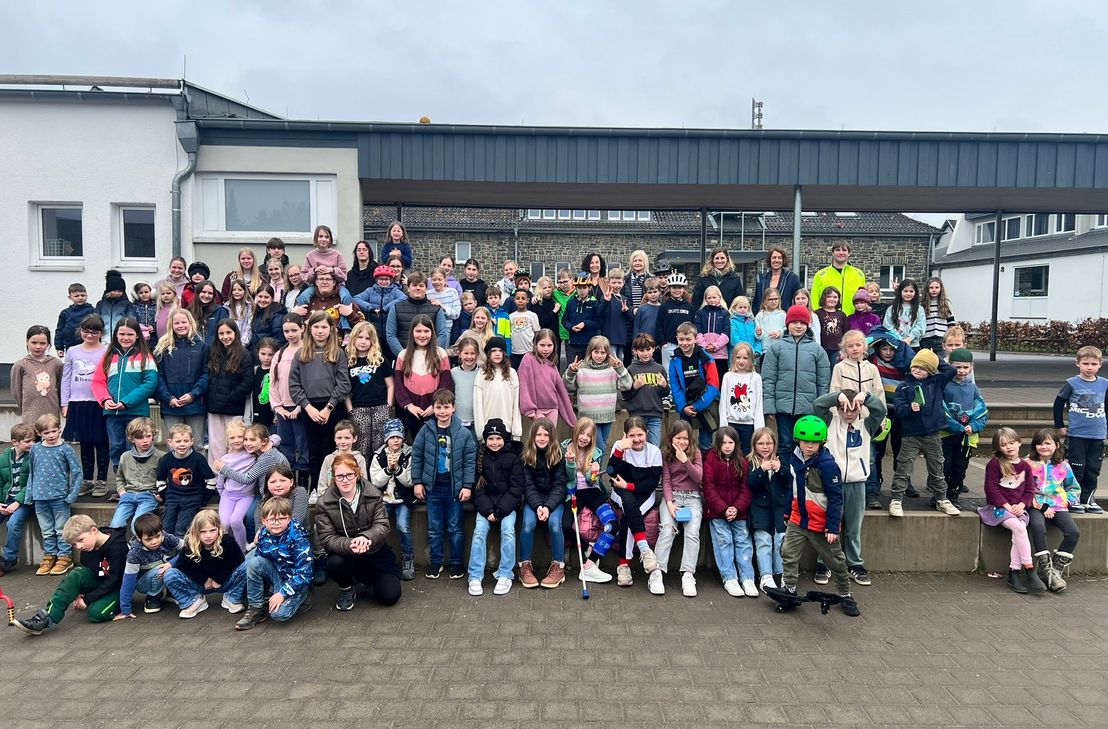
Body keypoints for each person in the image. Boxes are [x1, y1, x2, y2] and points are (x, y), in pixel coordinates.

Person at [779, 416, 860, 617]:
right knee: (788, 553)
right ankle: (789, 590)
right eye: (805, 441)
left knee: (836, 562)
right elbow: (793, 489)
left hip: (821, 524)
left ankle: (845, 594)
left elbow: (835, 498)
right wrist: (788, 512)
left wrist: (833, 527)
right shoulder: (794, 459)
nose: (809, 446)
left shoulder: (827, 465)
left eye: (814, 442)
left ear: (821, 442)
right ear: (798, 440)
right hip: (798, 519)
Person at [812, 388, 887, 588]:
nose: (848, 413)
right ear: (838, 408)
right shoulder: (829, 422)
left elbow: (880, 410)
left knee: (853, 527)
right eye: (844, 408)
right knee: (829, 525)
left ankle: (855, 563)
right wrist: (838, 397)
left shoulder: (867, 425)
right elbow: (818, 404)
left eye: (853, 409)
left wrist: (866, 397)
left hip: (857, 483)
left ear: (860, 409)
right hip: (832, 484)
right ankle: (824, 563)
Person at [13, 515, 128, 634]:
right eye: (74, 544)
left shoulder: (117, 547)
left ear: (94, 531)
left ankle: (113, 604)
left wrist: (88, 599)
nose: (78, 547)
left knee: (96, 614)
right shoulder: (87, 548)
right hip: (100, 582)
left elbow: (115, 579)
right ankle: (46, 618)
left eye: (80, 540)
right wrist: (79, 592)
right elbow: (87, 571)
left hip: (118, 587)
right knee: (76, 573)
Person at [316, 452, 402, 611]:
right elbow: (327, 538)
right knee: (334, 563)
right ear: (334, 477)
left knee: (390, 595)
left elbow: (382, 525)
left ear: (357, 474)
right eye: (340, 476)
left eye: (349, 475)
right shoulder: (324, 503)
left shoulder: (373, 494)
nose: (345, 480)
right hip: (346, 553)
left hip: (374, 550)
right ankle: (347, 587)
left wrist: (366, 537)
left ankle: (367, 579)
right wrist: (351, 544)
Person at [412, 389, 477, 580]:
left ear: (453, 408)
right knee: (434, 528)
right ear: (433, 408)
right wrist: (417, 482)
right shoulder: (426, 430)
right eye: (438, 407)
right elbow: (416, 457)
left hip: (454, 489)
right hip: (432, 489)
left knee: (455, 527)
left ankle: (456, 562)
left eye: (446, 407)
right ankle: (436, 562)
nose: (442, 411)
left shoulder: (463, 433)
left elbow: (469, 461)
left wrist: (467, 485)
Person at [889, 349, 959, 518]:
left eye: (923, 367)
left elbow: (951, 370)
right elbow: (898, 409)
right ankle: (896, 499)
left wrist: (933, 357)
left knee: (937, 467)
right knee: (904, 467)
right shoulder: (904, 386)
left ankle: (941, 498)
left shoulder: (936, 382)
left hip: (932, 433)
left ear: (931, 370)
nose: (918, 369)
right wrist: (908, 409)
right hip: (911, 434)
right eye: (916, 366)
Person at [228, 496, 314, 630]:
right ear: (264, 521)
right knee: (254, 562)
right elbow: (262, 563)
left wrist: (282, 594)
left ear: (289, 518)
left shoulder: (298, 538)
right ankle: (256, 608)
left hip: (295, 581)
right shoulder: (263, 534)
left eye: (282, 518)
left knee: (279, 614)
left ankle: (303, 597)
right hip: (277, 576)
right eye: (272, 519)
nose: (276, 523)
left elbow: (304, 573)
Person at [289, 312, 350, 491]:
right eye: (316, 327)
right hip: (310, 409)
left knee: (332, 450)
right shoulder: (301, 354)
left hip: (333, 407)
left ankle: (335, 488)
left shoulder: (338, 353)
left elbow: (344, 384)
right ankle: (316, 488)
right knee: (314, 452)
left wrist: (328, 408)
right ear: (309, 329)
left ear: (331, 329)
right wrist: (308, 408)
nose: (320, 331)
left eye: (324, 327)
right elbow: (294, 385)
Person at [981, 428, 1047, 594]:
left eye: (1011, 443)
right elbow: (991, 488)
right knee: (1019, 528)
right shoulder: (995, 464)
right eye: (1004, 445)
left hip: (1018, 509)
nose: (1009, 447)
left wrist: (1023, 505)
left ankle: (1014, 573)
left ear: (1019, 443)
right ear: (998, 448)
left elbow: (1029, 490)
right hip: (998, 509)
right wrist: (1006, 505)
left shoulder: (1025, 466)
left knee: (1018, 532)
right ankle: (1030, 569)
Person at [762, 305, 830, 461]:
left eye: (802, 322)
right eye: (794, 322)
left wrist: (820, 408)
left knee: (807, 448)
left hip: (808, 408)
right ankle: (786, 481)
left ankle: (804, 482)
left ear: (807, 325)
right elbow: (769, 379)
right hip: (783, 408)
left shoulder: (817, 350)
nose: (798, 326)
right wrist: (770, 406)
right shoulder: (776, 348)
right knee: (785, 445)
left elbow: (823, 382)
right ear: (787, 324)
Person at [467, 419, 523, 597]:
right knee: (479, 532)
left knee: (508, 531)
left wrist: (499, 511)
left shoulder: (513, 458)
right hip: (486, 507)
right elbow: (478, 490)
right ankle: (475, 575)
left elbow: (516, 488)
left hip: (507, 507)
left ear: (504, 438)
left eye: (498, 438)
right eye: (490, 439)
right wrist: (488, 511)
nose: (494, 442)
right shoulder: (480, 458)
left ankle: (506, 573)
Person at [606, 417, 663, 589]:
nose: (636, 439)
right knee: (628, 503)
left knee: (629, 516)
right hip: (620, 492)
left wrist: (629, 485)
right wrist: (618, 452)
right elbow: (610, 472)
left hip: (644, 493)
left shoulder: (654, 452)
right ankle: (645, 551)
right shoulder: (619, 446)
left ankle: (624, 565)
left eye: (640, 434)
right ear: (625, 435)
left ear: (646, 433)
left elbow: (652, 483)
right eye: (632, 435)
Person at [162, 509, 246, 619]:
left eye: (212, 530)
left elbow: (238, 560)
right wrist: (204, 580)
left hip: (224, 582)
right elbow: (183, 566)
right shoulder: (190, 543)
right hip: (200, 584)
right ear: (195, 531)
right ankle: (194, 601)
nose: (208, 535)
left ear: (219, 528)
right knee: (170, 575)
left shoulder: (227, 540)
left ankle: (232, 598)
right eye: (203, 532)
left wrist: (219, 578)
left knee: (248, 566)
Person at [703, 425, 756, 598]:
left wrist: (737, 508)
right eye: (723, 443)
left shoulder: (742, 461)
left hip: (738, 511)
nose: (727, 446)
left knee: (742, 541)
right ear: (717, 444)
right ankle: (730, 577)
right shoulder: (710, 460)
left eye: (731, 442)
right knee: (724, 540)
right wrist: (724, 509)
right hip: (718, 511)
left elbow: (746, 489)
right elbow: (709, 488)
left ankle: (747, 577)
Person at [1053, 345, 1107, 513]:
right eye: (1085, 363)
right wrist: (1060, 425)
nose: (1089, 367)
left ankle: (1088, 500)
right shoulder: (1071, 383)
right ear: (1077, 363)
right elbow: (1058, 404)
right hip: (1076, 435)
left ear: (1100, 364)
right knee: (1076, 468)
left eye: (1093, 364)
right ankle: (1072, 499)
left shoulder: (1105, 384)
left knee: (1092, 469)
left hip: (1097, 435)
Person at [563, 417, 618, 584]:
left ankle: (590, 565)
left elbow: (591, 481)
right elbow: (568, 477)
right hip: (573, 493)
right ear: (576, 432)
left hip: (592, 492)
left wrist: (593, 473)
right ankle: (588, 547)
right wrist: (571, 463)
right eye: (582, 433)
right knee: (563, 524)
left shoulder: (596, 453)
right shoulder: (564, 447)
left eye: (589, 435)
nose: (584, 438)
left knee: (613, 524)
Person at [1026, 428, 1081, 592]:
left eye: (1048, 443)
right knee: (1038, 526)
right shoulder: (1027, 464)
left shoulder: (1064, 466)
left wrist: (1066, 501)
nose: (1043, 447)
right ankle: (1045, 568)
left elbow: (1074, 488)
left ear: (1057, 445)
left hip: (1058, 506)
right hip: (1035, 505)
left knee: (1073, 532)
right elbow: (1022, 490)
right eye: (1039, 443)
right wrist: (1040, 506)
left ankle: (1055, 570)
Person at [654, 420, 703, 597]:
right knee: (667, 530)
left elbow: (698, 478)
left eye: (685, 438)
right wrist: (669, 503)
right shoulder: (665, 454)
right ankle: (657, 572)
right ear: (671, 438)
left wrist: (685, 461)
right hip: (672, 497)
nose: (682, 442)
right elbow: (666, 481)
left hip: (692, 498)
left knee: (692, 533)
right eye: (678, 438)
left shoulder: (695, 453)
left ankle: (688, 574)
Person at [61, 314, 109, 496]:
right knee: (85, 444)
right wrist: (65, 402)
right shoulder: (72, 351)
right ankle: (87, 480)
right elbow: (66, 378)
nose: (90, 335)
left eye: (95, 332)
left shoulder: (106, 350)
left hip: (99, 403)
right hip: (77, 403)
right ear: (80, 331)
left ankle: (102, 480)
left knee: (102, 443)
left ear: (101, 333)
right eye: (86, 331)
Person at [519, 418, 568, 589]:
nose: (541, 438)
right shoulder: (526, 456)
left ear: (551, 436)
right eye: (538, 434)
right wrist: (538, 505)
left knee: (554, 524)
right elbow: (528, 485)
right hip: (534, 500)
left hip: (553, 501)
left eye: (545, 435)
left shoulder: (558, 455)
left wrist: (547, 507)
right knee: (528, 524)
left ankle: (558, 566)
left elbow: (560, 485)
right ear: (532, 436)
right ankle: (524, 566)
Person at [563, 335, 632, 456]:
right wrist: (571, 371)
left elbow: (627, 385)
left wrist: (620, 368)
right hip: (588, 416)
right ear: (590, 351)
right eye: (596, 352)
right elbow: (568, 385)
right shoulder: (581, 367)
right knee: (598, 447)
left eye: (603, 352)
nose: (599, 355)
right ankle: (596, 473)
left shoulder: (612, 368)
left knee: (601, 446)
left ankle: (594, 472)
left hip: (607, 415)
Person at [155, 309, 210, 454]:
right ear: (171, 325)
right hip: (171, 406)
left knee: (197, 445)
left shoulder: (202, 347)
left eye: (184, 322)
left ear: (190, 323)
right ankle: (173, 476)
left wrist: (193, 394)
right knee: (173, 446)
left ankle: (199, 477)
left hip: (195, 404)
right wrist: (168, 398)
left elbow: (206, 374)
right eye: (176, 323)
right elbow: (158, 377)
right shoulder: (163, 347)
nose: (181, 325)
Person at [941, 349, 988, 508]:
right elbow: (940, 409)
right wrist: (957, 427)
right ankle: (940, 495)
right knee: (943, 465)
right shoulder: (944, 385)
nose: (961, 371)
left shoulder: (973, 388)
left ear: (971, 367)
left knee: (959, 467)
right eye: (957, 367)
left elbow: (981, 410)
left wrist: (973, 426)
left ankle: (953, 495)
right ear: (950, 365)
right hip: (946, 434)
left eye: (965, 367)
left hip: (966, 437)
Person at [394, 315, 454, 439]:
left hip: (435, 409)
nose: (422, 335)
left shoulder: (440, 353)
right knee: (417, 442)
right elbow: (398, 385)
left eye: (426, 331)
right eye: (418, 331)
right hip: (412, 410)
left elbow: (446, 383)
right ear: (412, 333)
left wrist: (435, 405)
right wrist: (409, 405)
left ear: (432, 333)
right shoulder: (403, 355)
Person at [369, 419, 415, 580]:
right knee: (378, 528)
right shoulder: (379, 455)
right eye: (391, 437)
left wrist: (398, 469)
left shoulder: (409, 454)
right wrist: (388, 469)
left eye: (398, 437)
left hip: (403, 500)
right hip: (383, 500)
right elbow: (375, 481)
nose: (395, 440)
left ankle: (408, 558)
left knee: (403, 525)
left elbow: (410, 481)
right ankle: (379, 558)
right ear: (386, 439)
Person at [204, 320, 255, 467]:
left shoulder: (245, 355)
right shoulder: (213, 353)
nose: (225, 336)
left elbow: (247, 382)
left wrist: (229, 397)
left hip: (233, 408)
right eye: (221, 333)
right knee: (216, 445)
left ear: (235, 333)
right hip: (214, 408)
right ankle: (215, 477)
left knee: (235, 443)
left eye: (228, 332)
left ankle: (234, 475)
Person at [747, 427, 791, 593]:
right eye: (761, 443)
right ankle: (766, 575)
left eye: (769, 443)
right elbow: (750, 483)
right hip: (760, 511)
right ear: (754, 445)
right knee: (763, 541)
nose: (765, 447)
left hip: (779, 510)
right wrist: (762, 470)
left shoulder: (781, 460)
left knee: (781, 540)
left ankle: (781, 573)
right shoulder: (751, 462)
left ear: (774, 444)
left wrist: (779, 469)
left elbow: (789, 481)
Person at [270, 313, 311, 488]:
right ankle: (288, 479)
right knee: (285, 444)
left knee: (303, 444)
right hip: (283, 408)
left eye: (294, 330)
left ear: (302, 329)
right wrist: (278, 407)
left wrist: (300, 407)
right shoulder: (279, 354)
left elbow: (310, 382)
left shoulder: (308, 351)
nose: (290, 334)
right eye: (286, 331)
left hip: (302, 407)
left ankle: (303, 479)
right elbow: (272, 381)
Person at [114, 513, 181, 618]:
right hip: (144, 581)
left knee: (183, 562)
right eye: (149, 539)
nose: (155, 541)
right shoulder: (134, 554)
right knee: (160, 570)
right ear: (139, 538)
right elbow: (128, 581)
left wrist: (171, 563)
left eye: (157, 536)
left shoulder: (166, 537)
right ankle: (154, 595)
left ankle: (170, 591)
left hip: (164, 568)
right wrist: (125, 609)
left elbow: (189, 548)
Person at [343, 321, 393, 459]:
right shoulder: (348, 362)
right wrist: (350, 409)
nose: (363, 342)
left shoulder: (380, 360)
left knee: (380, 444)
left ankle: (378, 477)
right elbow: (345, 390)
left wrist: (388, 405)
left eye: (367, 338)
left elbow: (390, 384)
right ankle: (363, 476)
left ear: (373, 341)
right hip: (359, 408)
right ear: (353, 339)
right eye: (360, 337)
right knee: (361, 445)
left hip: (380, 407)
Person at [157, 422, 217, 537]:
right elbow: (160, 481)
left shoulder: (198, 459)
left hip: (192, 499)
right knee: (166, 527)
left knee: (181, 528)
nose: (182, 444)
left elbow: (211, 480)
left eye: (185, 441)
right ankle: (166, 553)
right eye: (178, 441)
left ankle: (180, 553)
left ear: (192, 441)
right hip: (172, 498)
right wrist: (165, 496)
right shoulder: (166, 459)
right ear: (170, 442)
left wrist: (203, 499)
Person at [669, 322, 722, 453]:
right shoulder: (674, 361)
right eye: (681, 339)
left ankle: (705, 472)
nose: (684, 343)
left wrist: (698, 405)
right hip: (686, 406)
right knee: (684, 444)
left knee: (705, 444)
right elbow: (675, 387)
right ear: (677, 339)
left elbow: (714, 384)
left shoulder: (707, 358)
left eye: (688, 339)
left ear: (695, 338)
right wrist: (682, 406)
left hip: (706, 405)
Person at [110, 417, 165, 531]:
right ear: (132, 439)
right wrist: (122, 492)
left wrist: (162, 494)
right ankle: (119, 548)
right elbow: (120, 478)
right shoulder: (125, 457)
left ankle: (137, 548)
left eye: (148, 436)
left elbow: (166, 478)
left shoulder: (161, 456)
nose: (145, 441)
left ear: (153, 436)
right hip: (128, 495)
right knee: (116, 525)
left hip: (149, 495)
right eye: (140, 437)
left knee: (137, 525)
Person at [518, 329, 576, 429]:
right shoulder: (528, 359)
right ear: (535, 344)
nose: (546, 349)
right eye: (542, 345)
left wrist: (573, 421)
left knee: (550, 439)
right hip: (537, 410)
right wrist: (530, 409)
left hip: (552, 408)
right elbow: (524, 385)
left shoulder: (552, 366)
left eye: (549, 345)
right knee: (541, 438)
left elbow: (561, 391)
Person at [212, 420, 256, 551]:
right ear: (227, 440)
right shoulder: (225, 459)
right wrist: (222, 494)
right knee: (224, 524)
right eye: (232, 437)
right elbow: (221, 481)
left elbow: (274, 438)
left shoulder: (252, 455)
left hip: (246, 496)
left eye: (240, 437)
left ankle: (242, 549)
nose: (236, 440)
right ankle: (226, 549)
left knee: (236, 521)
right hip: (228, 495)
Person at [384, 271, 449, 356]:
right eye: (414, 285)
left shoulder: (436, 309)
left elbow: (442, 334)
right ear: (408, 288)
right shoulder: (396, 308)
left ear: (426, 289)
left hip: (430, 358)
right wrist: (403, 355)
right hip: (404, 358)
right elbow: (391, 335)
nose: (418, 288)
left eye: (421, 285)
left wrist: (432, 354)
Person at [0, 424, 34, 576]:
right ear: (15, 442)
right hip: (6, 500)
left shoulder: (33, 457)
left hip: (24, 501)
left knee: (13, 524)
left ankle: (9, 559)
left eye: (33, 440)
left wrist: (18, 502)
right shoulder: (3, 458)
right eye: (27, 441)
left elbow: (33, 483)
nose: (32, 444)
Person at [12, 325, 62, 428]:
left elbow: (61, 386)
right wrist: (24, 407)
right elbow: (16, 390)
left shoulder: (56, 364)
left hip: (51, 413)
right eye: (34, 342)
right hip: (30, 415)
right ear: (27, 342)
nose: (38, 346)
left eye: (42, 343)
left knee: (50, 439)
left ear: (48, 344)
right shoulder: (20, 365)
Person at [623, 333, 669, 447]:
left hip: (655, 415)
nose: (645, 353)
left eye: (648, 349)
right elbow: (625, 395)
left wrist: (664, 386)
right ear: (635, 351)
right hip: (636, 416)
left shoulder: (660, 368)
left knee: (654, 448)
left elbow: (665, 393)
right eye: (641, 350)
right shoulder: (631, 369)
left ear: (653, 349)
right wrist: (634, 387)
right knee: (636, 447)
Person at [474, 337, 522, 444]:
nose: (497, 354)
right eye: (494, 351)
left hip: (507, 428)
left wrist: (516, 432)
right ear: (488, 354)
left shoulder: (512, 373)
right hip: (487, 430)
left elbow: (516, 404)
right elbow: (478, 405)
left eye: (500, 351)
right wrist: (480, 433)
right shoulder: (481, 374)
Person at [291, 270, 364, 334]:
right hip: (310, 347)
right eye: (321, 279)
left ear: (334, 282)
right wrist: (293, 314)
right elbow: (289, 329)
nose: (324, 282)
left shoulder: (344, 300)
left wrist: (351, 314)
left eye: (328, 279)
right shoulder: (306, 301)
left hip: (338, 348)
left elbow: (364, 328)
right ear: (316, 282)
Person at [317, 420, 368, 503]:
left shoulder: (359, 459)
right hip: (331, 501)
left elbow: (364, 484)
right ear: (334, 439)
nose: (343, 441)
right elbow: (322, 485)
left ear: (354, 439)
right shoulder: (328, 459)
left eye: (347, 438)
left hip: (354, 501)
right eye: (339, 438)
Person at [810, 241, 866, 317]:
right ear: (832, 253)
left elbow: (863, 297)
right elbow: (814, 298)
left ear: (849, 253)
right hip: (827, 319)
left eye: (844, 250)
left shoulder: (859, 274)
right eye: (837, 250)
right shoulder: (820, 275)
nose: (841, 252)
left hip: (853, 318)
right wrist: (818, 315)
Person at [562, 272, 605, 363]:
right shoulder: (571, 302)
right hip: (574, 342)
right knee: (574, 367)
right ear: (576, 288)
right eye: (579, 288)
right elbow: (564, 320)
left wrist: (585, 324)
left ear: (589, 288)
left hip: (590, 343)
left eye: (584, 287)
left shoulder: (594, 303)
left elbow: (599, 323)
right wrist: (571, 327)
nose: (582, 290)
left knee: (589, 368)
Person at [655, 272, 693, 372]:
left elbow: (693, 325)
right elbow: (658, 325)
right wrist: (663, 343)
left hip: (685, 344)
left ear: (684, 289)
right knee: (668, 372)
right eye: (674, 287)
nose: (677, 290)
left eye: (680, 287)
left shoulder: (688, 306)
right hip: (669, 345)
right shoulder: (664, 306)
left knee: (684, 371)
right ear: (669, 289)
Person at [694, 284, 731, 381]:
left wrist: (715, 346)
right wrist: (705, 345)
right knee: (706, 379)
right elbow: (698, 332)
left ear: (719, 297)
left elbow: (726, 333)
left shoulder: (725, 313)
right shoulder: (700, 313)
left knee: (720, 379)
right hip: (704, 353)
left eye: (714, 297)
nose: (712, 300)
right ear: (705, 299)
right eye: (709, 298)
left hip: (720, 355)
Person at [753, 246, 802, 316]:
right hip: (764, 319)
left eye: (779, 258)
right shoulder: (762, 278)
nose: (776, 260)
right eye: (774, 257)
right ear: (770, 260)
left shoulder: (792, 278)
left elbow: (798, 299)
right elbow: (756, 301)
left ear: (783, 260)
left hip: (785, 318)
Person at [95, 270, 136, 345]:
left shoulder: (127, 304)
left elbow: (131, 321)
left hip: (121, 338)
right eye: (114, 290)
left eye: (120, 291)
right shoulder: (101, 304)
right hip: (104, 338)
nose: (117, 293)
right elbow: (96, 320)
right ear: (108, 290)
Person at [54, 283, 94, 356]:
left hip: (88, 345)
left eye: (83, 295)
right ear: (70, 297)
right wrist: (59, 347)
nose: (80, 298)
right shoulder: (65, 313)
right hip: (70, 346)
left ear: (87, 296)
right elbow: (59, 331)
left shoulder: (92, 311)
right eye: (76, 296)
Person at [883, 279, 925, 348]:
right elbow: (888, 326)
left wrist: (909, 339)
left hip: (913, 345)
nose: (908, 294)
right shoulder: (892, 309)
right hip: (895, 345)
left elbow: (920, 326)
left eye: (911, 291)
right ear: (900, 292)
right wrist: (900, 339)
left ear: (915, 292)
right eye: (905, 291)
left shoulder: (920, 309)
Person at [450, 339, 480, 436]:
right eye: (466, 353)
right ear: (459, 354)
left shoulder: (482, 374)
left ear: (477, 355)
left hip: (476, 422)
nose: (469, 357)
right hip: (457, 421)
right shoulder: (453, 373)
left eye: (472, 353)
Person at [920, 277, 956, 352]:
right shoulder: (922, 304)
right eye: (931, 287)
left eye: (937, 287)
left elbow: (951, 323)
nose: (934, 290)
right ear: (927, 289)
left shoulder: (946, 303)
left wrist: (950, 338)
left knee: (942, 361)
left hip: (941, 338)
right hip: (926, 338)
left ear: (941, 289)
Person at [507, 288, 541, 369]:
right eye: (518, 298)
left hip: (528, 351)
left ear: (528, 300)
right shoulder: (510, 316)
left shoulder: (532, 316)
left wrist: (535, 349)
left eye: (523, 298)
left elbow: (537, 334)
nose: (520, 300)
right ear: (514, 300)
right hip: (514, 352)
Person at [815, 286, 848, 366]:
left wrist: (844, 350)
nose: (832, 299)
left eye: (835, 297)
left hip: (837, 350)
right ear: (823, 298)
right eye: (829, 297)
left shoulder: (842, 315)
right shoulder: (817, 313)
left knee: (835, 368)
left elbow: (846, 334)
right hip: (821, 349)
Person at [189, 281, 229, 345]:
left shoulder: (220, 311)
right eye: (203, 292)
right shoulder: (189, 312)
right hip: (195, 351)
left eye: (210, 293)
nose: (206, 295)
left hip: (215, 351)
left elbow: (226, 333)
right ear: (198, 293)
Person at [250, 336, 277, 428]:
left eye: (270, 355)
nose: (266, 358)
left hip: (272, 416)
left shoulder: (277, 371)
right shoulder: (254, 371)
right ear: (257, 353)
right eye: (263, 354)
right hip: (256, 415)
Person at [249, 286, 286, 352]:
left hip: (269, 354)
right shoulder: (257, 311)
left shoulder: (277, 313)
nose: (262, 300)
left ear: (272, 298)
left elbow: (279, 339)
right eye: (260, 296)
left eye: (266, 297)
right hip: (256, 352)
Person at [754, 287, 786, 361]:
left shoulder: (783, 314)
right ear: (765, 301)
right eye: (770, 299)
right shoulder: (760, 315)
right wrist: (759, 333)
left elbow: (788, 330)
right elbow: (757, 337)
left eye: (775, 299)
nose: (773, 301)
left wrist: (780, 333)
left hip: (780, 350)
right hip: (765, 351)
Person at [632, 276, 662, 346]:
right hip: (642, 344)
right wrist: (634, 346)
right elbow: (636, 327)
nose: (653, 294)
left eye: (655, 292)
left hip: (658, 345)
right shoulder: (641, 308)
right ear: (646, 293)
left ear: (659, 292)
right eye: (650, 292)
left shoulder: (662, 308)